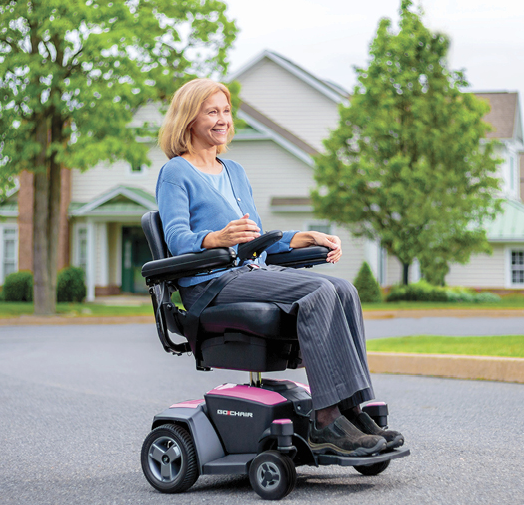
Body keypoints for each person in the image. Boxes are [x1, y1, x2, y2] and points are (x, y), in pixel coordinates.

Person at [155, 78, 404, 457]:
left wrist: (305, 237)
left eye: (225, 111)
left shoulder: (234, 170)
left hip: (250, 272)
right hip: (211, 284)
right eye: (212, 111)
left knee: (343, 289)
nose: (222, 120)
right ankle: (326, 421)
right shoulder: (176, 172)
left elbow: (257, 240)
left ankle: (353, 412)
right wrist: (217, 238)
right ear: (189, 118)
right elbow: (175, 237)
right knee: (318, 291)